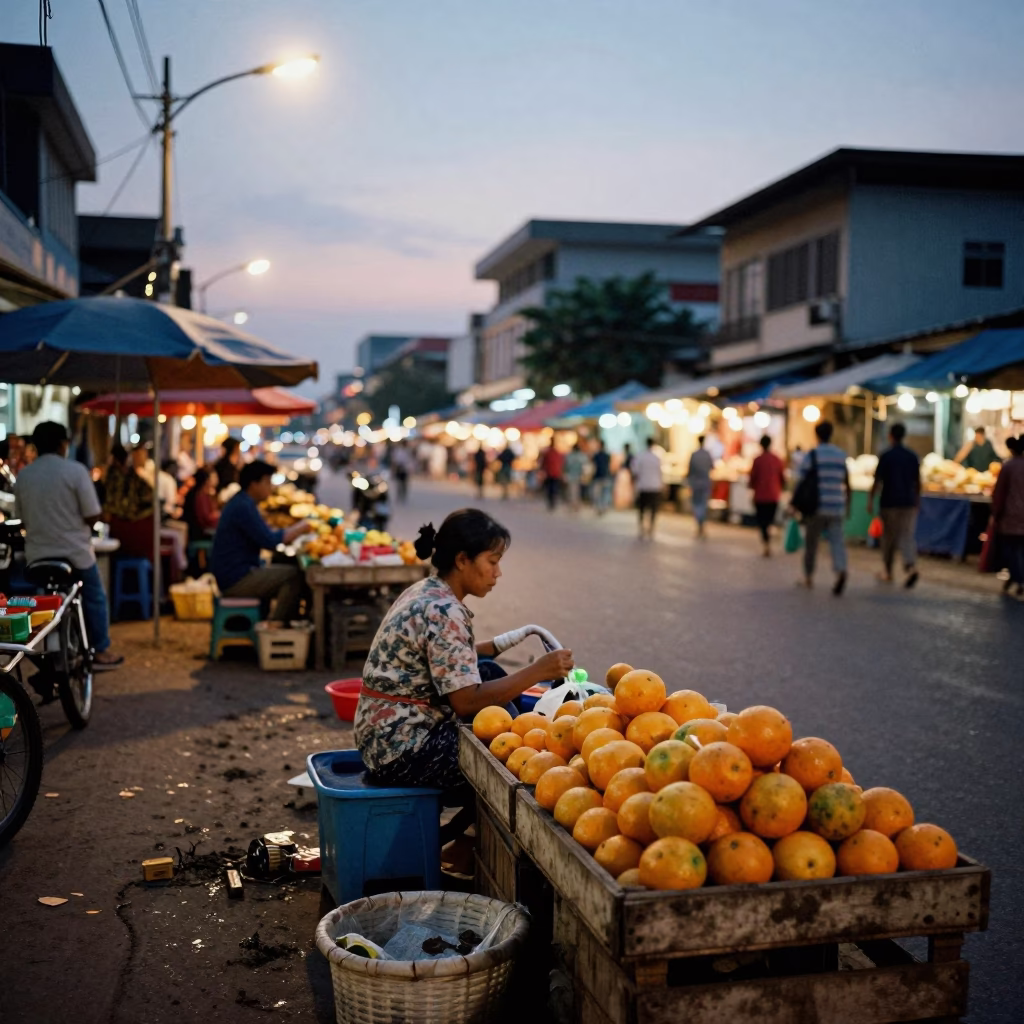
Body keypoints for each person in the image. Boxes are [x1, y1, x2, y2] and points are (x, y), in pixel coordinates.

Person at [353, 508, 574, 838]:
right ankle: (467, 838)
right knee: (510, 757)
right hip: (399, 749)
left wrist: (504, 642)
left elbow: (453, 658)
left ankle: (464, 832)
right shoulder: (445, 610)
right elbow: (466, 701)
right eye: (492, 561)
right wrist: (537, 670)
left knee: (487, 671)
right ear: (462, 560)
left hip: (380, 733)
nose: (497, 573)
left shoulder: (427, 590)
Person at [13, 422, 123, 670]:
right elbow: (92, 514)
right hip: (75, 555)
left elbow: (21, 518)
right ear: (63, 444)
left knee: (43, 602)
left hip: (37, 557)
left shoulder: (25, 476)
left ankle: (44, 652)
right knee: (94, 596)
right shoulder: (75, 471)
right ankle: (101, 650)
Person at [211, 460, 314, 622]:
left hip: (236, 573)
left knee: (283, 566)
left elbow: (264, 535)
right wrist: (301, 528)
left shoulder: (244, 502)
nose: (271, 487)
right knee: (293, 576)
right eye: (267, 482)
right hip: (235, 579)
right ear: (254, 484)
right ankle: (277, 627)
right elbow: (269, 541)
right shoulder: (243, 506)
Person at [795, 420, 851, 595]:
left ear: (816, 435)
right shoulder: (840, 455)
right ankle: (840, 570)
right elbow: (847, 482)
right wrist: (848, 504)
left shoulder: (812, 455)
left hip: (816, 506)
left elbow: (801, 481)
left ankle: (808, 576)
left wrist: (795, 503)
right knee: (837, 541)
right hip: (836, 504)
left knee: (811, 543)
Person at [869, 423, 921, 588]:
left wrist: (870, 500)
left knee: (889, 538)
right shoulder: (912, 456)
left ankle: (888, 571)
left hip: (889, 503)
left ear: (890, 436)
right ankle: (910, 566)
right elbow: (918, 482)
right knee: (906, 536)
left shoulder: (886, 456)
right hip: (908, 503)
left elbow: (877, 481)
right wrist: (917, 500)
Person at [991, 435, 1024, 600]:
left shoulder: (1009, 467)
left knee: (1012, 550)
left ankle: (1018, 580)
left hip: (1012, 517)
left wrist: (995, 514)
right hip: (1015, 517)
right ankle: (1015, 580)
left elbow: (999, 494)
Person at [749, 435, 786, 556]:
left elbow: (752, 478)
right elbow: (782, 478)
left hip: (760, 496)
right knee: (769, 520)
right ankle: (767, 542)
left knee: (762, 521)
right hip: (773, 495)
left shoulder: (758, 460)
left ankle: (766, 543)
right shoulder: (777, 459)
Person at [634, 437, 664, 540]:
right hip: (654, 486)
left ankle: (642, 528)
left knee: (642, 509)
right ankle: (651, 527)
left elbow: (635, 471)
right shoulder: (657, 458)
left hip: (643, 486)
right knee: (653, 509)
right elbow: (660, 473)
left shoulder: (640, 457)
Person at [182, 467, 220, 542]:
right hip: (200, 532)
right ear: (207, 481)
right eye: (214, 477)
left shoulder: (203, 493)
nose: (216, 479)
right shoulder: (200, 495)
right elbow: (205, 519)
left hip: (201, 529)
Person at [687, 435, 714, 538]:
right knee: (703, 504)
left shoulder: (694, 454)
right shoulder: (707, 454)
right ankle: (701, 525)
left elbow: (690, 470)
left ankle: (699, 525)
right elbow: (712, 467)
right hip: (705, 482)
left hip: (696, 483)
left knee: (697, 505)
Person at [539, 443, 564, 512]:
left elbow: (543, 463)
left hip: (550, 473)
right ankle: (553, 502)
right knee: (554, 488)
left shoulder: (548, 453)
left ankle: (551, 502)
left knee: (550, 489)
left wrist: (542, 470)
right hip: (555, 474)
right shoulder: (557, 454)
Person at [563, 442, 587, 512]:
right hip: (579, 477)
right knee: (577, 491)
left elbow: (565, 466)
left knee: (572, 491)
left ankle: (573, 504)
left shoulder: (569, 456)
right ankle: (575, 505)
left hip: (571, 476)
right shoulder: (582, 456)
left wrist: (565, 474)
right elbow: (585, 467)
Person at [591, 440, 613, 515]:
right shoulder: (607, 455)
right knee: (605, 493)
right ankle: (604, 507)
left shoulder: (596, 455)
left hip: (598, 476)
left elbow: (593, 466)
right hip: (605, 476)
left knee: (598, 494)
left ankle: (600, 507)